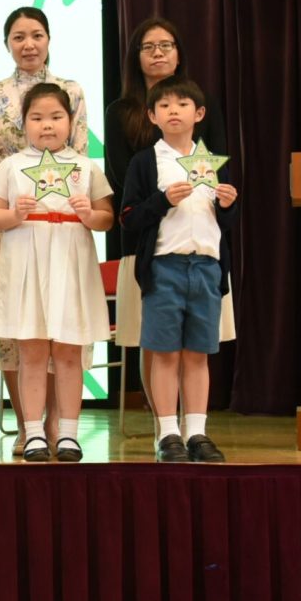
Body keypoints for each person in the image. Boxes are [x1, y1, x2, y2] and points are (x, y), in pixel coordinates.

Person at [0, 6, 91, 452]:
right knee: (16, 324)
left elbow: (79, 153)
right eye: (18, 37)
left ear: (49, 39)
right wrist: (15, 200)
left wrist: (57, 201)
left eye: (36, 35)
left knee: (62, 323)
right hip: (10, 220)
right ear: (7, 43)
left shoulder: (71, 91)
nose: (28, 44)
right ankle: (29, 425)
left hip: (63, 223)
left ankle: (61, 423)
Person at [104, 17, 235, 396]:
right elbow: (120, 174)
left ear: (178, 54)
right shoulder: (120, 111)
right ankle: (161, 419)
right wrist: (160, 198)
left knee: (197, 345)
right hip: (147, 238)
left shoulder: (201, 104)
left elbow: (218, 165)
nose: (158, 53)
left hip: (200, 236)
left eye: (166, 45)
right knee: (153, 339)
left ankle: (192, 420)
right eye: (148, 47)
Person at [0, 83, 113, 462]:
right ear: (23, 124)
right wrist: (15, 214)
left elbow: (107, 218)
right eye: (37, 118)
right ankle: (34, 433)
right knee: (32, 351)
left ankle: (68, 433)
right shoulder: (11, 166)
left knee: (70, 352)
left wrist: (89, 215)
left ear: (70, 122)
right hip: (27, 260)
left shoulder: (86, 167)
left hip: (71, 262)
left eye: (56, 117)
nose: (47, 125)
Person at [119, 79, 238, 464]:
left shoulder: (214, 162)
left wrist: (228, 206)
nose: (174, 111)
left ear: (198, 114)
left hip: (206, 266)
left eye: (183, 104)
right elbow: (129, 218)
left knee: (198, 354)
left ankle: (197, 432)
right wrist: (162, 200)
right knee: (166, 352)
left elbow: (225, 224)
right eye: (164, 105)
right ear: (152, 116)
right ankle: (168, 432)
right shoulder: (145, 162)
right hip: (164, 267)